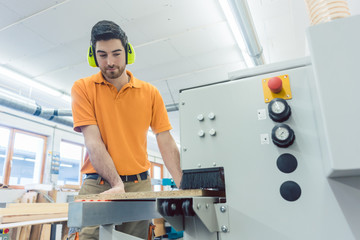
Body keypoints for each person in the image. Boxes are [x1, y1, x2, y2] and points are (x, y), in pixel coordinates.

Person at [70, 20, 182, 240]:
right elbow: (93, 143)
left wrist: (183, 187)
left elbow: (165, 140)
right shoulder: (82, 88)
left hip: (139, 185)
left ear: (128, 53)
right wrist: (117, 183)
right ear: (93, 57)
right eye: (102, 55)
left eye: (116, 53)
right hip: (98, 184)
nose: (110, 62)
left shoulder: (150, 92)